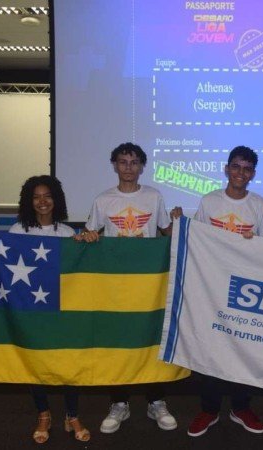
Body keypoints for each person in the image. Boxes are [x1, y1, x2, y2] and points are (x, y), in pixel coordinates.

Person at [0, 175, 90, 444]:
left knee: (68, 362)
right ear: (29, 201)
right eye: (36, 197)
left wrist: (87, 243)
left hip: (62, 312)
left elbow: (82, 269)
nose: (42, 201)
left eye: (47, 196)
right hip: (30, 313)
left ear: (56, 200)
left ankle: (72, 415)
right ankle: (43, 415)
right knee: (34, 362)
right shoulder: (18, 231)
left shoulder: (66, 233)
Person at [75, 142, 177, 433]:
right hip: (115, 284)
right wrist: (86, 237)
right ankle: (119, 402)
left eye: (134, 162)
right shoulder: (103, 200)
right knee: (117, 342)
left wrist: (178, 223)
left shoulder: (154, 197)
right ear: (115, 165)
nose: (128, 167)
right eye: (123, 162)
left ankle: (156, 401)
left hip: (148, 284)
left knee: (150, 338)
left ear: (142, 166)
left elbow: (167, 232)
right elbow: (89, 233)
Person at [182, 145, 263, 437]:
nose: (240, 173)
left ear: (253, 174)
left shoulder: (259, 205)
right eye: (236, 166)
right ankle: (209, 409)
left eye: (247, 169)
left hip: (245, 290)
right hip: (212, 287)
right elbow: (196, 240)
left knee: (244, 348)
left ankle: (240, 407)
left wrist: (254, 244)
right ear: (226, 169)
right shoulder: (209, 201)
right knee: (210, 349)